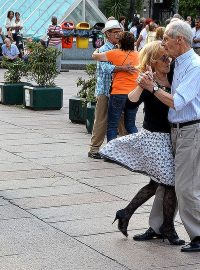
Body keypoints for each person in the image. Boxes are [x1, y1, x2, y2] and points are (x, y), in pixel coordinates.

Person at [100, 41, 184, 245]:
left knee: (156, 184)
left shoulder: (174, 77)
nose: (168, 61)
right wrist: (141, 83)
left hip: (171, 137)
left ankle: (126, 213)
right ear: (152, 61)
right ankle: (168, 228)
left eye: (169, 57)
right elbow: (130, 103)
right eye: (163, 58)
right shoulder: (148, 81)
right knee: (170, 184)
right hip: (155, 139)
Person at [138, 20, 200, 252]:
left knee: (186, 186)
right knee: (166, 181)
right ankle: (158, 227)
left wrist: (152, 88)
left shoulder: (194, 65)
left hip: (190, 130)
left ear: (179, 40)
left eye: (166, 40)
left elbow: (179, 102)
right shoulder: (178, 62)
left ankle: (198, 235)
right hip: (175, 130)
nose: (163, 44)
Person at [88, 20, 135, 159]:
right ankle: (94, 149)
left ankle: (126, 150)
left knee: (122, 120)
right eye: (115, 32)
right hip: (105, 90)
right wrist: (123, 68)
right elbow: (106, 68)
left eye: (119, 32)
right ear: (107, 34)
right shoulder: (104, 49)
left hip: (119, 91)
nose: (118, 35)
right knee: (102, 120)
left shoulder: (121, 49)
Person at [92, 31, 139, 142]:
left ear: (121, 42)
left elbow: (95, 56)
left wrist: (97, 49)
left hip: (118, 93)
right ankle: (138, 146)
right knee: (131, 125)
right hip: (134, 94)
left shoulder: (115, 53)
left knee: (112, 125)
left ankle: (111, 152)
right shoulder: (139, 55)